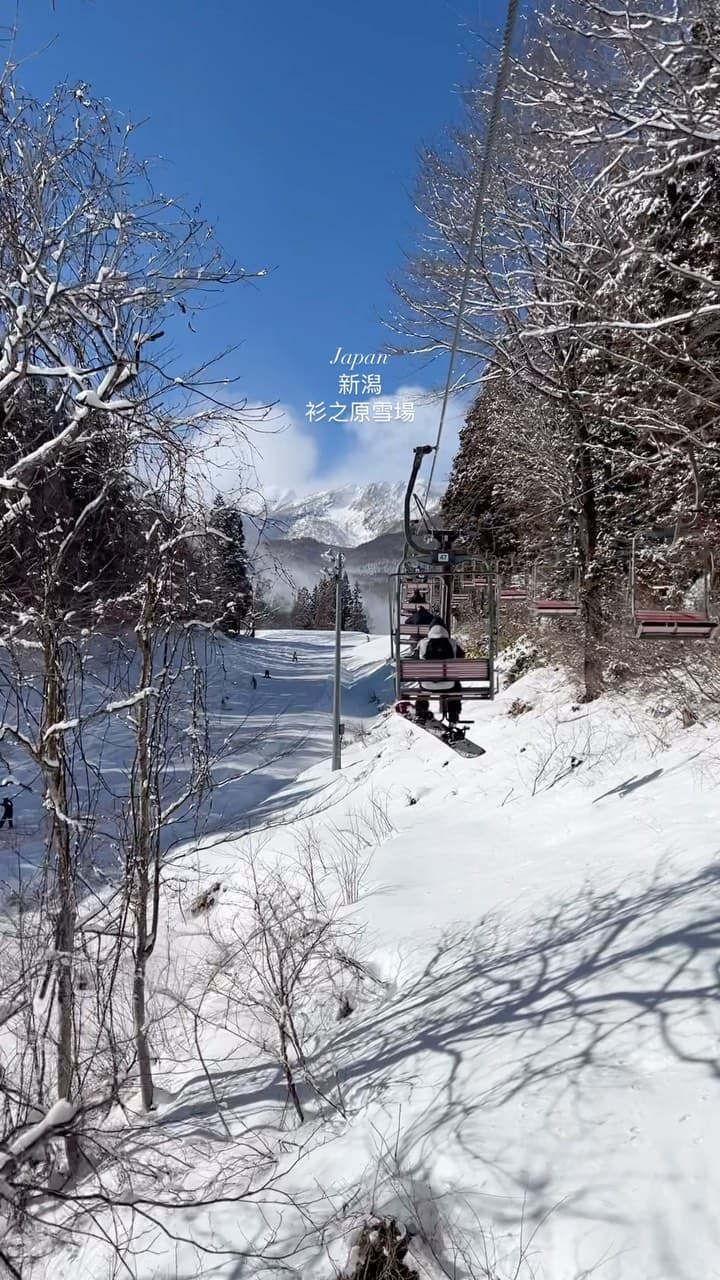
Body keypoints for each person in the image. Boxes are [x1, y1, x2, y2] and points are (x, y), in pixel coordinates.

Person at [414, 621, 465, 725]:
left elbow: (413, 660)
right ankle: (453, 714)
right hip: (449, 685)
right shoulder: (452, 643)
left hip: (427, 685)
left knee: (422, 688)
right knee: (456, 687)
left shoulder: (423, 643)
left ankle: (421, 711)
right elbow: (462, 657)